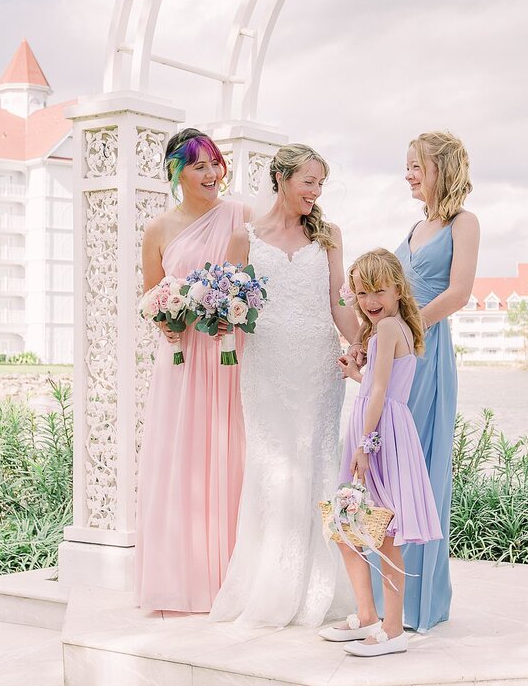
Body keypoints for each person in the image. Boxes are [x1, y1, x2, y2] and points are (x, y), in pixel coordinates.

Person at [209, 144, 361, 628]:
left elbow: (339, 305)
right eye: (308, 182)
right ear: (280, 177)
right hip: (267, 367)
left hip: (318, 367)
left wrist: (365, 345)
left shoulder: (330, 236)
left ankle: (322, 585)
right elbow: (227, 309)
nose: (315, 193)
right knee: (272, 468)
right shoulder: (244, 238)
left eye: (321, 184)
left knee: (318, 464)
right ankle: (269, 585)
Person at [136, 128, 249, 613]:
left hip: (229, 352)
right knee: (182, 456)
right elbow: (151, 294)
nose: (212, 174)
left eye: (216, 164)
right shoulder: (158, 230)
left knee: (233, 452)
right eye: (199, 166)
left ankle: (234, 577)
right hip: (182, 361)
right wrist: (164, 319)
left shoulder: (240, 215)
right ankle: (183, 578)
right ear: (176, 172)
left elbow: (254, 282)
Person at [318, 249, 441, 657]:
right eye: (362, 293)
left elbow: (382, 394)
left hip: (380, 435)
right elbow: (376, 385)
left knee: (383, 532)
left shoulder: (388, 327)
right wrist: (357, 373)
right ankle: (368, 616)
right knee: (349, 524)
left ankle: (392, 628)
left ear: (397, 289)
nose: (370, 301)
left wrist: (363, 445)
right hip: (379, 428)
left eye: (379, 291)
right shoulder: (390, 328)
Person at [381, 130, 480, 631]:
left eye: (416, 165)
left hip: (427, 351)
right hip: (395, 351)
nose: (408, 175)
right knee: (388, 464)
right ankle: (388, 600)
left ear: (441, 167)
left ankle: (422, 603)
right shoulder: (414, 226)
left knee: (422, 468)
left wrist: (409, 327)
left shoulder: (465, 223)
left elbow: (460, 292)